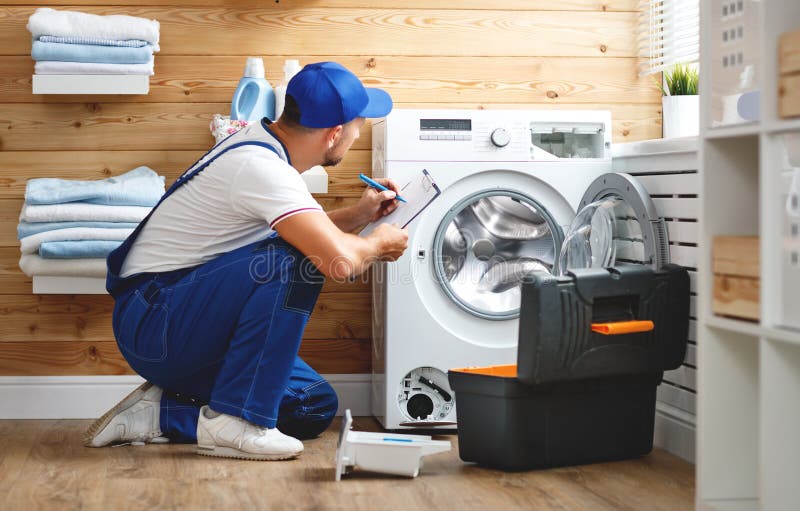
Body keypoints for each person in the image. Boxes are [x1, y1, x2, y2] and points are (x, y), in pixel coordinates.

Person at [84, 62, 409, 461]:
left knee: (312, 404)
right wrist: (379, 243)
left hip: (172, 315)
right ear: (334, 134)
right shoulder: (264, 170)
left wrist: (361, 216)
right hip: (157, 325)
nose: (358, 134)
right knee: (290, 262)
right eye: (359, 125)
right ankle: (237, 424)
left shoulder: (263, 146)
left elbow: (304, 233)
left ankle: (164, 413)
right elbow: (337, 261)